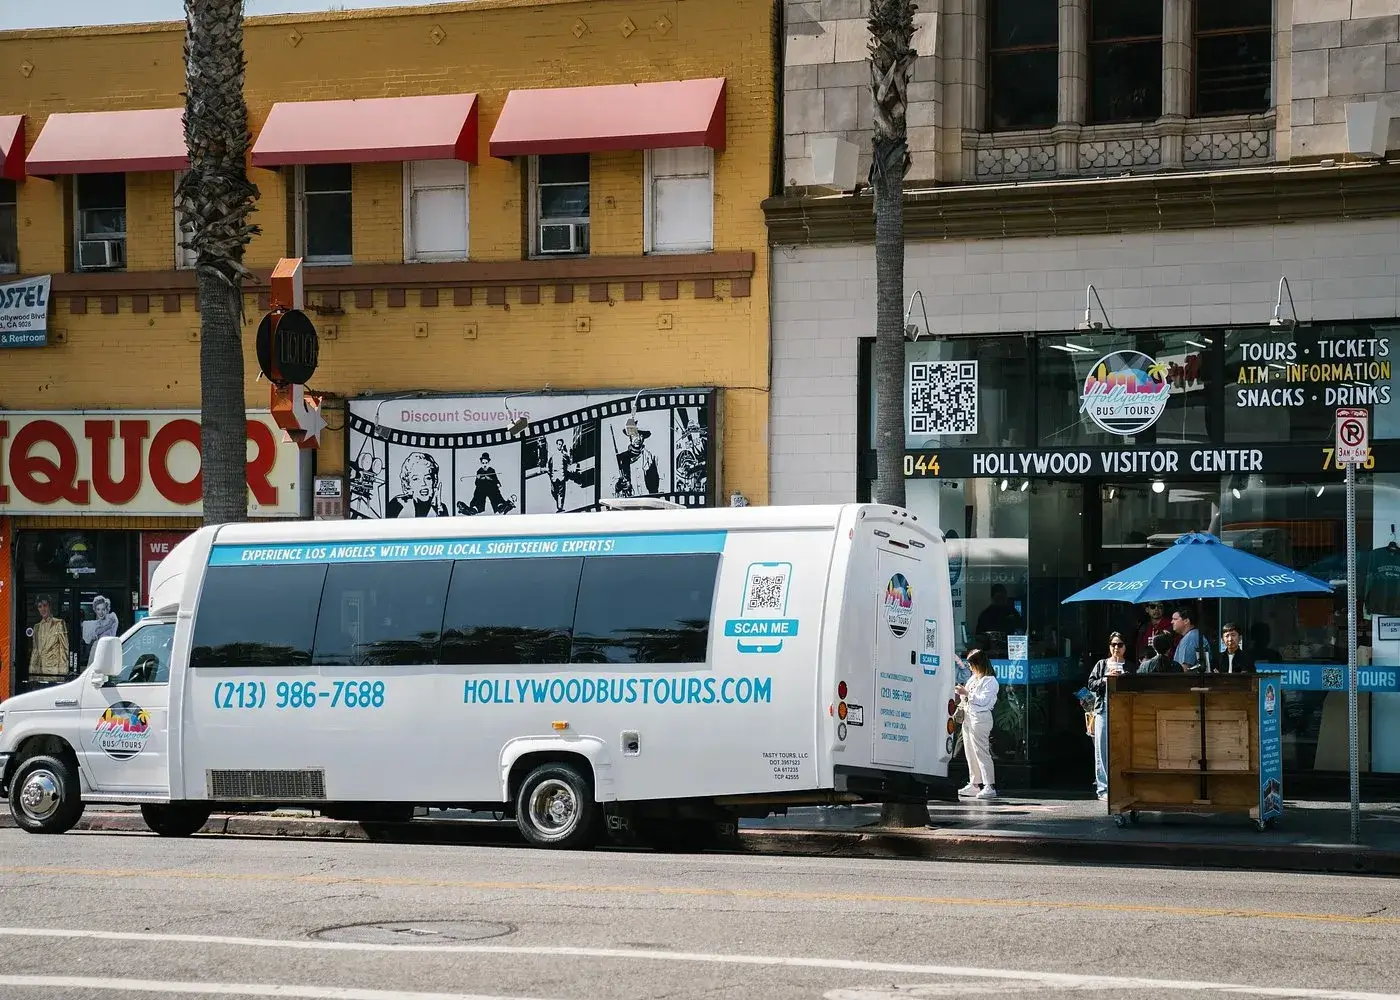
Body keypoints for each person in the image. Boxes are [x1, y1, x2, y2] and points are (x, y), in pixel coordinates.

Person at [1086, 632, 1131, 800]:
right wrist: (1105, 679)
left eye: (1120, 644)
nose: (1116, 648)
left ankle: (1122, 785)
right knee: (1102, 749)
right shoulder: (1101, 664)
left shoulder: (1129, 666)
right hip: (1103, 709)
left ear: (1125, 647)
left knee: (1124, 747)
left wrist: (1124, 678)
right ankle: (1103, 788)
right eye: (1113, 645)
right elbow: (1091, 683)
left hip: (1124, 710)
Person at [955, 649, 1000, 801]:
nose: (969, 667)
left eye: (971, 664)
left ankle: (989, 785)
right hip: (968, 716)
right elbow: (967, 696)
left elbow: (983, 701)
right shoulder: (974, 678)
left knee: (981, 752)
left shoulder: (990, 681)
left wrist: (966, 693)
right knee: (970, 752)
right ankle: (974, 783)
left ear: (978, 664)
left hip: (980, 718)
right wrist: (962, 694)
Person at [386, 452, 449, 518]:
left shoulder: (441, 508)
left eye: (428, 478)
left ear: (434, 481)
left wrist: (438, 510)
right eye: (416, 479)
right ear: (408, 483)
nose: (423, 483)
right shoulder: (397, 504)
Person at [28, 595, 70, 688]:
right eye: (40, 606)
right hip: (39, 672)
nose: (42, 609)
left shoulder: (59, 623)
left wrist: (62, 673)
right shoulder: (36, 627)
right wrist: (32, 672)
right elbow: (35, 651)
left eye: (45, 605)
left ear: (50, 606)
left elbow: (64, 649)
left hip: (54, 673)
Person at [1171, 605, 1209, 672]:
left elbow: (1185, 669)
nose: (1172, 622)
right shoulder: (1193, 635)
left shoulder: (1190, 638)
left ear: (1186, 621)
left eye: (1175, 619)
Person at [546, 438, 572, 513]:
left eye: (561, 444)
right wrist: (549, 473)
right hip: (554, 476)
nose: (560, 446)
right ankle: (558, 502)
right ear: (557, 445)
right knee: (553, 491)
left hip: (561, 475)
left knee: (561, 492)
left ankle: (560, 507)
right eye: (559, 444)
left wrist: (567, 471)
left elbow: (569, 463)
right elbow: (548, 464)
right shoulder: (553, 454)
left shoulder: (564, 454)